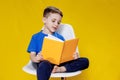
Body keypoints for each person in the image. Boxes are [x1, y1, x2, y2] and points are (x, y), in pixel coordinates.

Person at [27, 6, 89, 80]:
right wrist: (37, 58)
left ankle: (60, 69)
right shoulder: (36, 37)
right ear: (44, 20)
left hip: (59, 64)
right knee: (44, 65)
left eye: (58, 22)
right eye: (53, 21)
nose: (56, 24)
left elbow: (65, 54)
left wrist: (74, 57)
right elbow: (32, 56)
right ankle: (56, 69)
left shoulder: (60, 37)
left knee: (85, 61)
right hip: (45, 63)